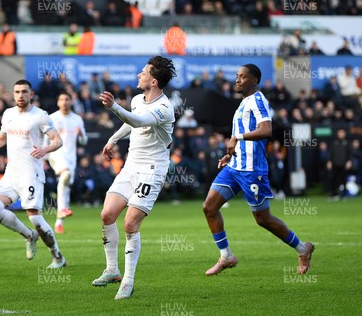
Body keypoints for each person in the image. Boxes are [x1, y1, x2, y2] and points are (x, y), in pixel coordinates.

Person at [202, 64, 314, 277]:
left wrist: (238, 138)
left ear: (254, 80)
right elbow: (240, 137)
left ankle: (303, 248)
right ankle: (226, 256)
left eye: (242, 77)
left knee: (263, 219)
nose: (237, 80)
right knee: (209, 207)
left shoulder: (258, 100)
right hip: (234, 167)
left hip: (253, 170)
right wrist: (230, 154)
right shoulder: (243, 103)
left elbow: (266, 130)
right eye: (236, 76)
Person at [93, 56, 176, 300]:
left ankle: (128, 282)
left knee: (130, 224)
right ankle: (112, 270)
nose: (139, 75)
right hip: (131, 166)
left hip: (152, 169)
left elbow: (139, 121)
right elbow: (131, 121)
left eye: (143, 72)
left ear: (154, 81)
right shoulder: (138, 99)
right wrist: (113, 139)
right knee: (107, 214)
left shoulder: (164, 108)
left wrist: (114, 108)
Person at [0, 79, 66, 268]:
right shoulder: (8, 114)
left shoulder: (40, 116)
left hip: (31, 174)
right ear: (13, 94)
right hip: (11, 173)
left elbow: (58, 141)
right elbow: (2, 138)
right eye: (17, 92)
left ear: (31, 94)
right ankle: (29, 235)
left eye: (24, 92)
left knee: (35, 218)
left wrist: (45, 150)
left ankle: (58, 257)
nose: (21, 95)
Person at [47, 92, 88, 233]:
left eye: (67, 99)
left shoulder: (77, 119)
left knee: (66, 186)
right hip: (56, 154)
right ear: (58, 102)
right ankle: (62, 209)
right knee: (66, 175)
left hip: (71, 157)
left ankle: (59, 222)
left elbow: (84, 141)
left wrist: (81, 135)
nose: (64, 102)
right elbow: (45, 140)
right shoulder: (52, 118)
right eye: (61, 99)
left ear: (71, 101)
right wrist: (44, 157)